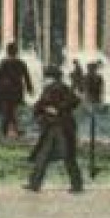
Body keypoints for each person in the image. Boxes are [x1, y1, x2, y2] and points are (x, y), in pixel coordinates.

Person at [27, 65, 84, 193]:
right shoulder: (62, 87)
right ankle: (76, 184)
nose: (44, 79)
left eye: (46, 76)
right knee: (61, 155)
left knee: (48, 154)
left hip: (59, 127)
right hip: (58, 126)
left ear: (50, 77)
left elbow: (41, 104)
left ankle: (35, 184)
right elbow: (75, 101)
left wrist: (56, 109)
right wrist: (57, 109)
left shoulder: (53, 88)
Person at [0, 42, 33, 138]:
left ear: (7, 52)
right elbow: (27, 76)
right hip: (17, 91)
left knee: (6, 111)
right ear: (16, 52)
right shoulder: (21, 63)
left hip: (5, 91)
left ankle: (6, 130)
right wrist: (29, 88)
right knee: (12, 111)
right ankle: (12, 130)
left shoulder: (4, 62)